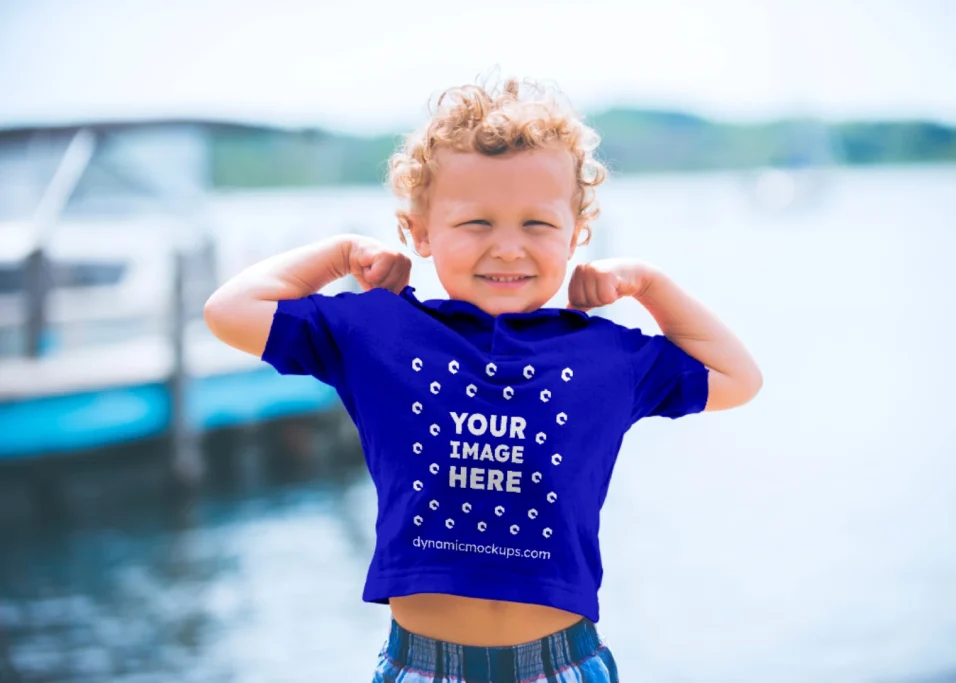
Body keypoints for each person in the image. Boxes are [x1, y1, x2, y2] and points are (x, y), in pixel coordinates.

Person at [204, 74, 762, 683]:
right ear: (418, 232)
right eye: (476, 223)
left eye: (537, 225)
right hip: (422, 667)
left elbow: (737, 378)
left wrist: (649, 285)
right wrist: (339, 255)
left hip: (562, 663)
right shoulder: (377, 332)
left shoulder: (607, 354)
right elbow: (228, 312)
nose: (507, 248)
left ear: (576, 234)